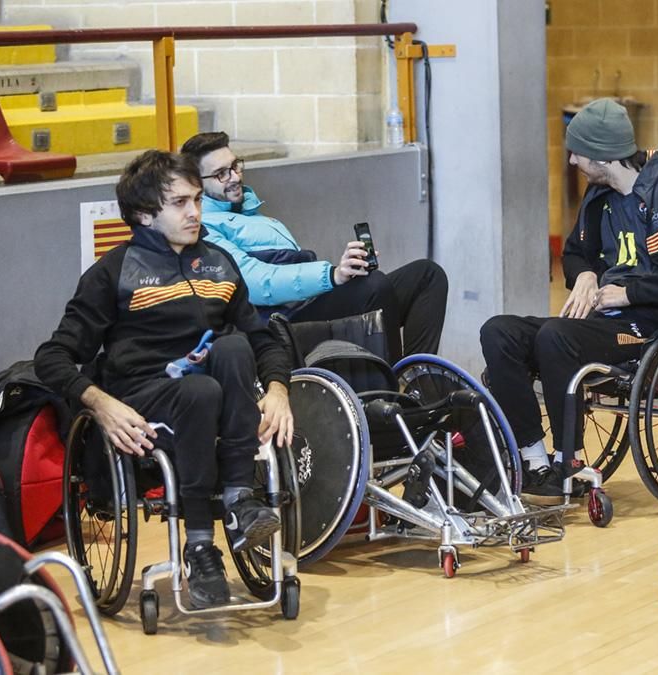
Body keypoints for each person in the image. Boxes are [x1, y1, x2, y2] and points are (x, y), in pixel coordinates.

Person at [34, 150, 294, 609]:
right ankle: (199, 544)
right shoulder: (111, 274)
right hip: (143, 397)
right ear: (143, 214)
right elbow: (52, 358)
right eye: (179, 203)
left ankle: (238, 499)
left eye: (196, 199)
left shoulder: (218, 264)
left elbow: (262, 340)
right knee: (200, 389)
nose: (194, 212)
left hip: (215, 397)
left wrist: (277, 389)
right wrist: (99, 402)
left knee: (232, 348)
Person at [480, 98, 658, 496]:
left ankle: (570, 460)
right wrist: (586, 274)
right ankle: (533, 458)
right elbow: (575, 252)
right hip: (599, 324)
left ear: (604, 157)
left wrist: (630, 294)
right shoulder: (598, 200)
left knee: (555, 336)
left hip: (651, 328)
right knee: (498, 332)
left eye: (578, 152)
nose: (573, 161)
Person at [179, 131, 448, 362]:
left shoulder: (249, 212)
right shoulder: (207, 228)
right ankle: (390, 392)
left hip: (305, 304)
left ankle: (419, 381)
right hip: (282, 319)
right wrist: (332, 275)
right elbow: (258, 284)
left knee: (426, 276)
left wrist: (346, 271)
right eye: (221, 174)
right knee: (373, 287)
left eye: (235, 166)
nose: (235, 177)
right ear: (197, 185)